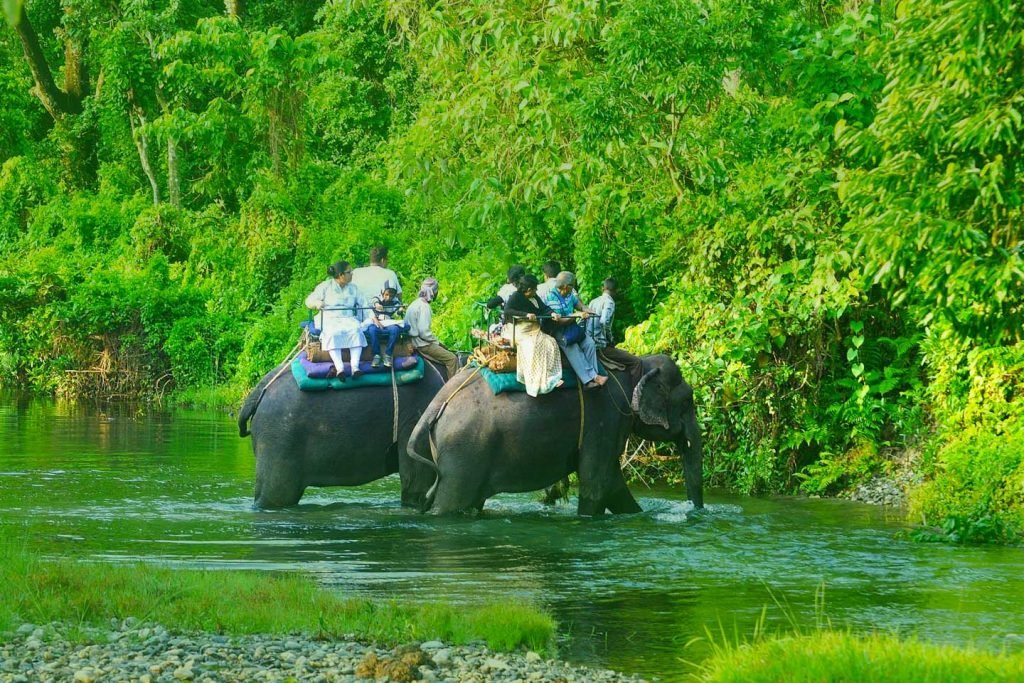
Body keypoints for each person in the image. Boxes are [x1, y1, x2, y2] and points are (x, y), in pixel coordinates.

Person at [305, 260, 368, 380]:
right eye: (349, 272)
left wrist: (373, 317)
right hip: (330, 318)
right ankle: (340, 369)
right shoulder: (325, 286)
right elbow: (308, 301)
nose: (352, 274)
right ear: (340, 275)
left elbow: (364, 304)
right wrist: (317, 303)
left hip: (348, 318)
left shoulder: (354, 288)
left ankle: (355, 367)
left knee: (356, 331)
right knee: (333, 333)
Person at [545, 271, 606, 390]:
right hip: (558, 330)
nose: (574, 287)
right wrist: (576, 315)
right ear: (566, 286)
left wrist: (587, 310)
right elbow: (559, 320)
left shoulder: (569, 294)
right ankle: (588, 380)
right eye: (572, 285)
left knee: (589, 343)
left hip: (572, 327)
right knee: (574, 348)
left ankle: (594, 376)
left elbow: (579, 304)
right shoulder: (552, 296)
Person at [503, 274, 563, 397]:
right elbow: (507, 311)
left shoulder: (535, 296)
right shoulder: (516, 297)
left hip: (533, 328)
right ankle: (536, 381)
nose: (536, 291)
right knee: (533, 346)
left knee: (550, 342)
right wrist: (525, 314)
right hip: (519, 328)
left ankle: (550, 376)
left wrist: (552, 313)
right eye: (535, 289)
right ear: (529, 289)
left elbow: (543, 308)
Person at [587, 277, 643, 385]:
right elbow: (604, 323)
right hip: (600, 345)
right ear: (615, 290)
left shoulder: (593, 301)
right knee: (637, 362)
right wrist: (610, 340)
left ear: (603, 288)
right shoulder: (610, 302)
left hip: (589, 342)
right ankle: (636, 396)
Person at [405, 277, 460, 380]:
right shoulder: (424, 306)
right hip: (422, 344)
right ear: (434, 292)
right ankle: (454, 389)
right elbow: (424, 333)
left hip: (413, 341)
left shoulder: (414, 303)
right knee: (452, 359)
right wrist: (438, 343)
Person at [364, 286, 409, 368]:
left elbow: (396, 313)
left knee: (395, 329)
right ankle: (376, 355)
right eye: (386, 295)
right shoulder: (376, 298)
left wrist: (400, 310)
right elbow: (374, 302)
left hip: (388, 323)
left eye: (391, 296)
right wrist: (377, 305)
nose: (388, 298)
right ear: (382, 292)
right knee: (371, 329)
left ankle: (388, 354)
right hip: (377, 323)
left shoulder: (395, 302)